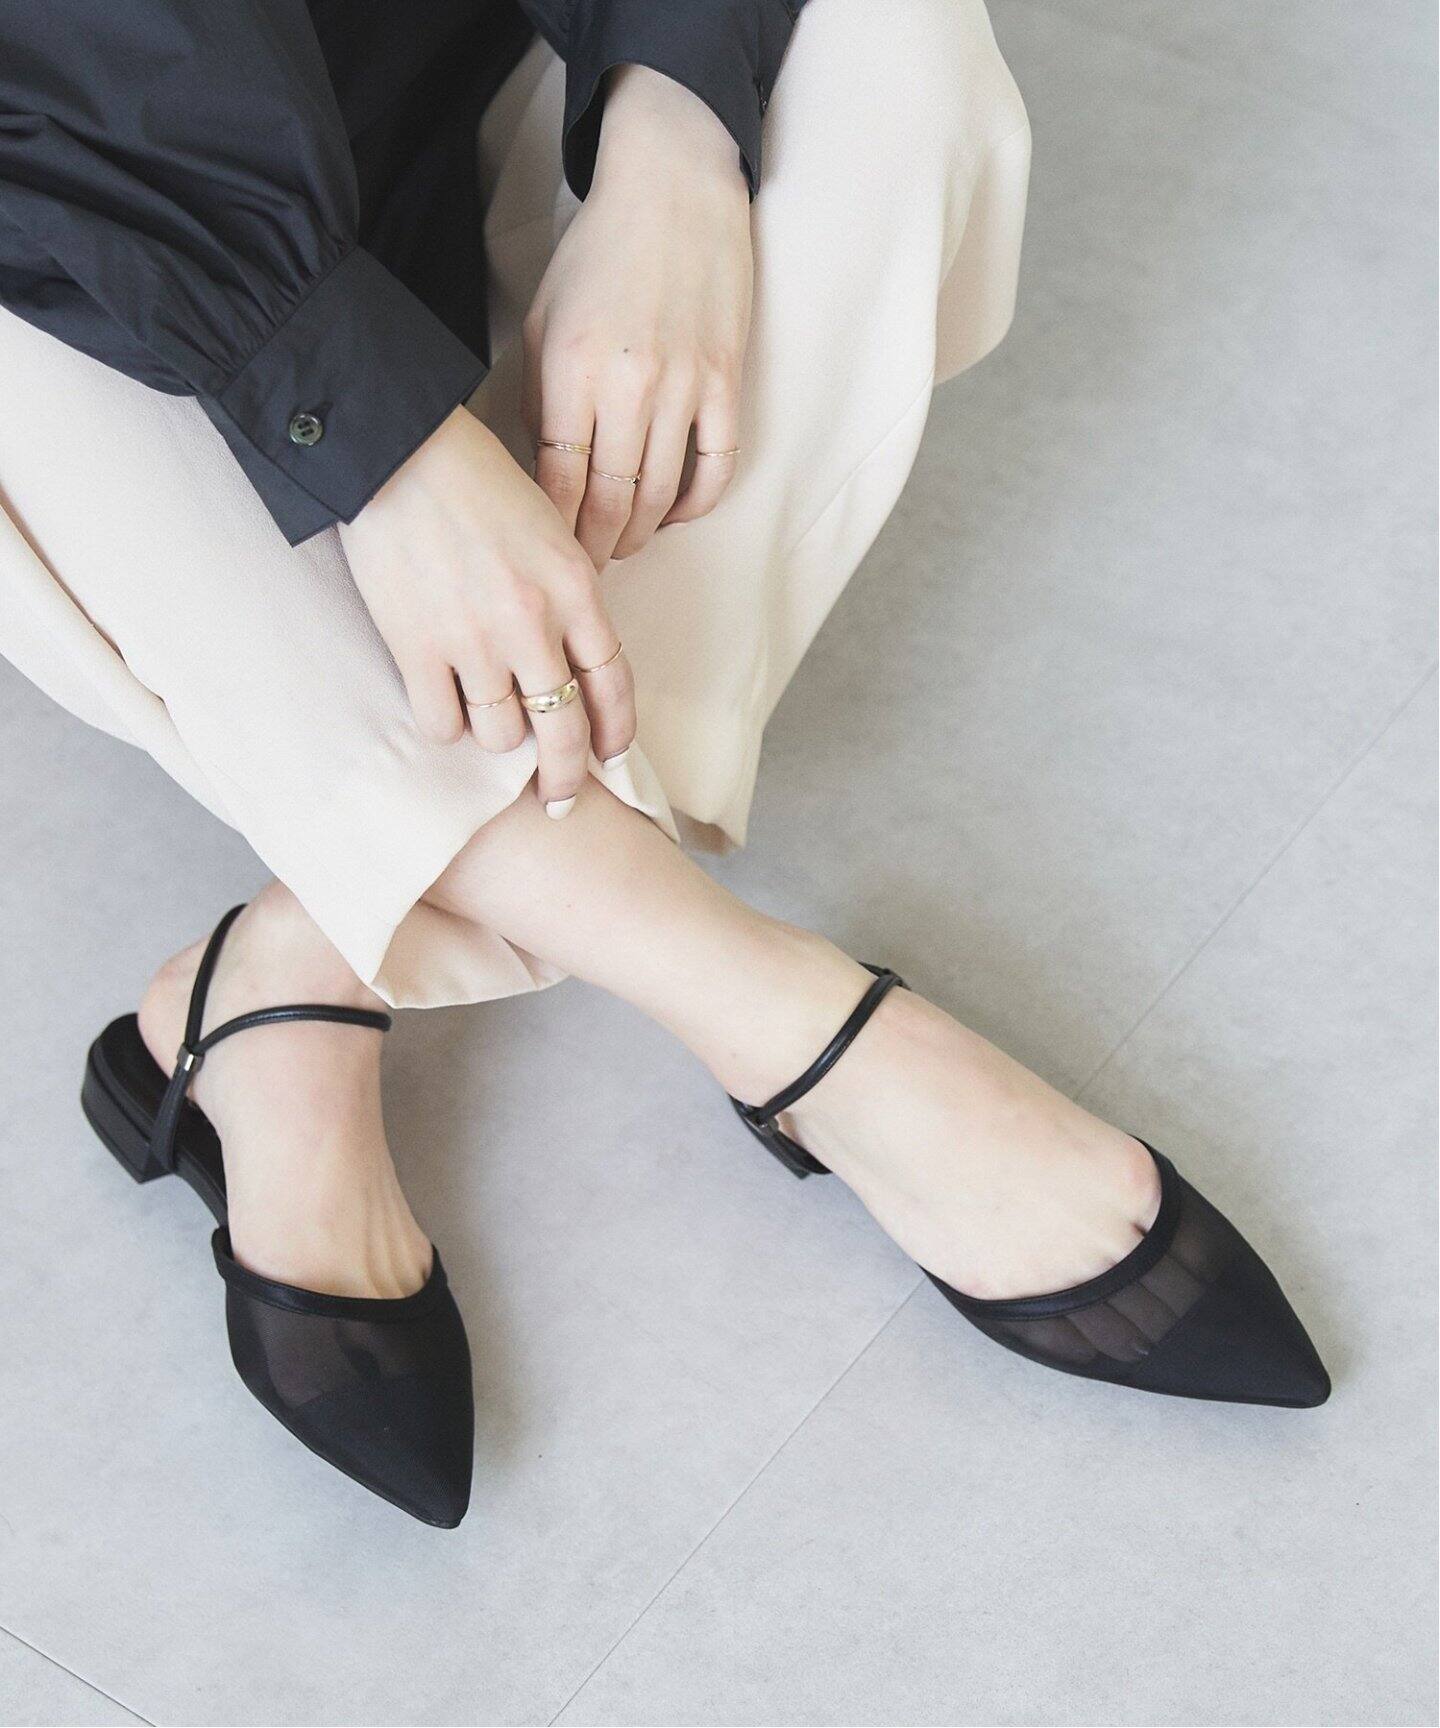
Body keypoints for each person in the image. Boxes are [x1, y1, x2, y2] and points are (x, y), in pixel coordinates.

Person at [0, 0, 1329, 1528]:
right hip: (80, 193)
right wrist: (375, 441)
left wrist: (673, 138)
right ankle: (785, 1022)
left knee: (894, 47)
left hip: (434, 61)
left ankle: (309, 953)